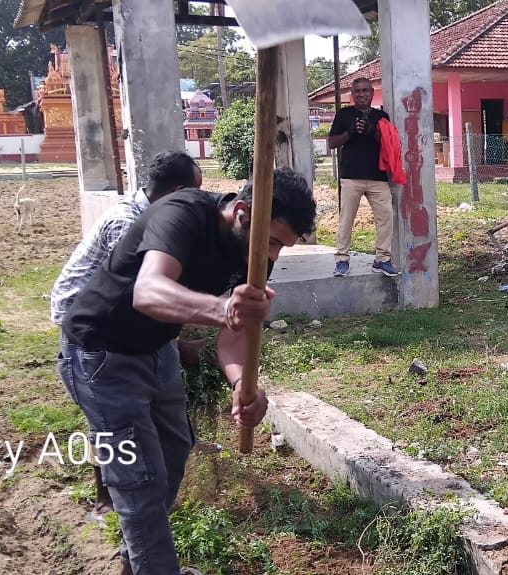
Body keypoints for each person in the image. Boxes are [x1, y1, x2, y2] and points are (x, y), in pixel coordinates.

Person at [58, 168, 317, 575]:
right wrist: (222, 308)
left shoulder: (255, 254)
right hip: (101, 352)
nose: (273, 257)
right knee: (139, 480)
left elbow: (234, 335)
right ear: (242, 213)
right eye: (271, 243)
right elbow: (148, 291)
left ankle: (137, 565)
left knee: (173, 452)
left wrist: (241, 382)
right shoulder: (182, 212)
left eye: (282, 247)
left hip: (157, 348)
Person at [49, 150, 203, 523]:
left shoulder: (153, 215)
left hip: (120, 318)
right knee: (112, 422)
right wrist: (179, 341)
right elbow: (139, 298)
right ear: (178, 192)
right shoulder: (128, 222)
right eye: (195, 192)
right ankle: (107, 500)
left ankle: (142, 505)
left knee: (145, 426)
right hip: (89, 326)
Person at [328, 77, 399, 278]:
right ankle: (342, 260)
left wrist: (370, 131)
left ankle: (382, 259)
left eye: (365, 90)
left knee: (386, 217)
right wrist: (350, 132)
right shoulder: (344, 114)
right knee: (346, 219)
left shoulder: (381, 116)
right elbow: (332, 143)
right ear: (352, 94)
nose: (362, 94)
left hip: (377, 177)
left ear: (371, 93)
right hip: (351, 176)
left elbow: (389, 142)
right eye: (357, 91)